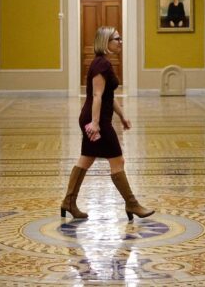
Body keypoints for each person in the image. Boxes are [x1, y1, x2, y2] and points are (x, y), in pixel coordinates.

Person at [60, 26, 154, 221]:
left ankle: (68, 202)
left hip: (97, 118)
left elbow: (109, 97)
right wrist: (95, 123)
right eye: (117, 39)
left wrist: (121, 116)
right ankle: (132, 204)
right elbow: (97, 95)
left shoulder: (103, 63)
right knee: (118, 161)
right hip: (97, 120)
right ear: (106, 42)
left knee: (86, 158)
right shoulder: (102, 65)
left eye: (120, 39)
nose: (120, 42)